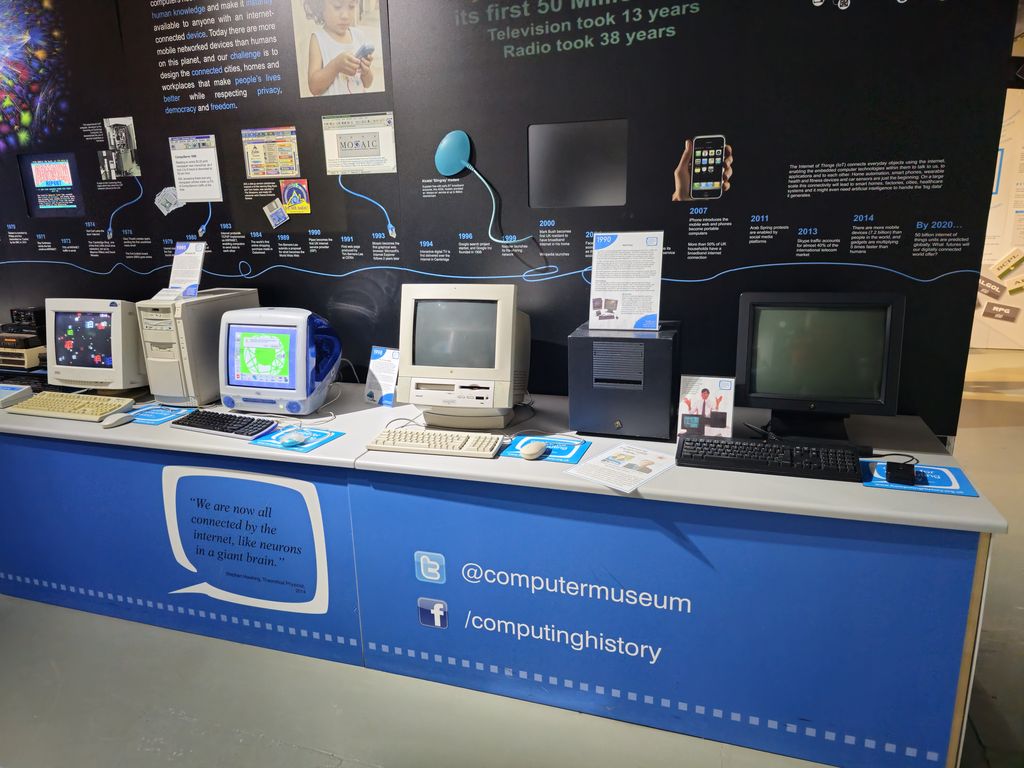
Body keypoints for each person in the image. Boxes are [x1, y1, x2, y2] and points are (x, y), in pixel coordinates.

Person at [304, 0, 375, 96]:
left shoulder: (359, 36)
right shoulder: (318, 39)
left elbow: (367, 84)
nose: (345, 16)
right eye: (337, 7)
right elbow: (314, 88)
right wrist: (336, 66)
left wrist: (366, 71)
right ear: (320, 6)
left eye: (351, 6)